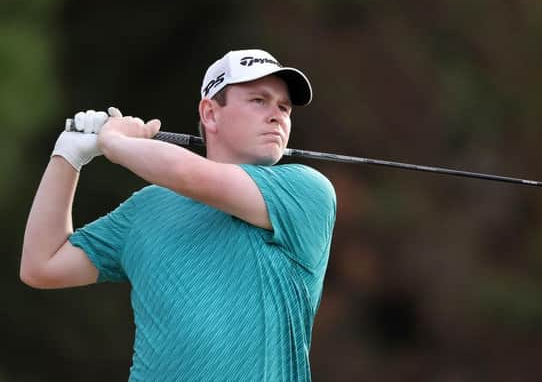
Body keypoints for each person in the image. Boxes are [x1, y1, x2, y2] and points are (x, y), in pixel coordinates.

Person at [20, 49, 337, 381]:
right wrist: (67, 155)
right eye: (259, 100)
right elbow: (42, 265)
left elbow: (189, 174)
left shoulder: (306, 191)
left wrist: (114, 141)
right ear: (210, 114)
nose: (277, 115)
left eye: (284, 107)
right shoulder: (147, 208)